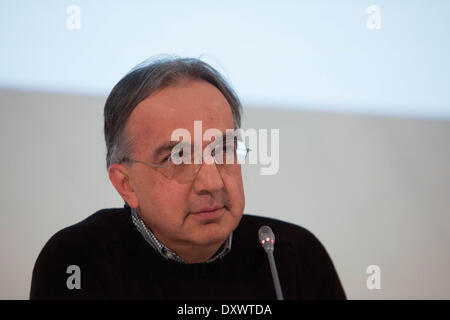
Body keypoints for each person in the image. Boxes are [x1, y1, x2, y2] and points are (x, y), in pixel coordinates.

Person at [30, 56, 346, 299]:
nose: (213, 183)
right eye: (179, 157)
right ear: (126, 185)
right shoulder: (79, 261)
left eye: (224, 150)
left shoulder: (290, 257)